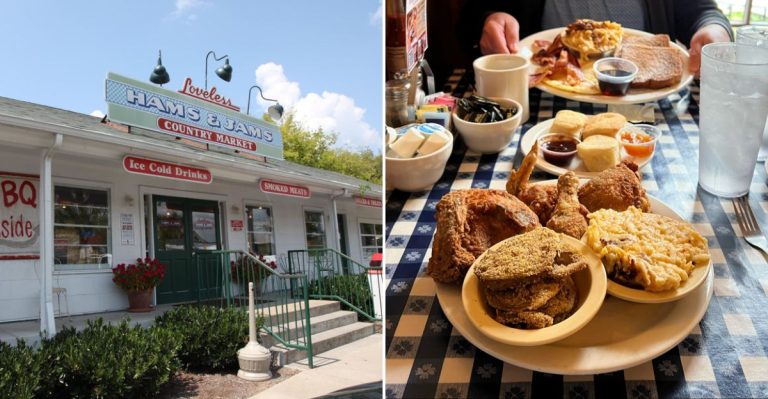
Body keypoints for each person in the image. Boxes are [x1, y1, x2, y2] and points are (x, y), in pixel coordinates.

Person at [458, 0, 733, 75]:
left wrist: (714, 29)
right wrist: (490, 20)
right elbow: (472, 17)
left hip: (644, 107)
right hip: (541, 103)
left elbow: (701, 11)